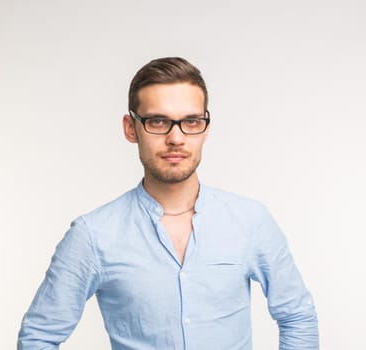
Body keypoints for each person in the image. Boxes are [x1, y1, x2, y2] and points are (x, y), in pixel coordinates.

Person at [18, 57, 319, 349]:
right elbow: (38, 336)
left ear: (205, 128)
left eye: (190, 121)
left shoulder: (250, 220)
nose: (176, 138)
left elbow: (297, 317)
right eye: (158, 121)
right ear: (130, 128)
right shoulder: (94, 234)